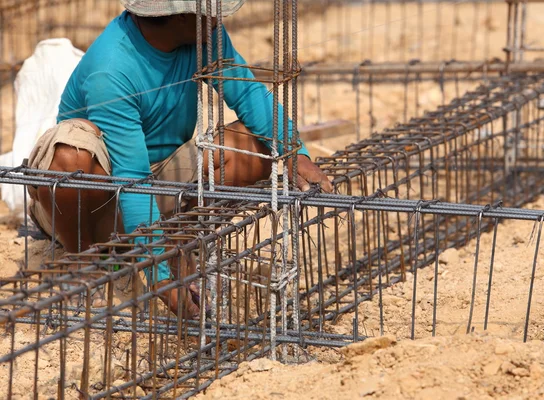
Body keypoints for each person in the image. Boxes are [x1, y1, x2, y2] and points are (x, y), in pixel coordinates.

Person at [26, 0, 332, 317]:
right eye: (208, 10)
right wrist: (159, 277)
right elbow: (131, 178)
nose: (217, 16)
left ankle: (173, 240)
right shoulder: (112, 68)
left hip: (156, 181)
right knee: (70, 155)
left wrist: (295, 152)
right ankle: (83, 259)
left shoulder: (204, 34)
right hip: (96, 200)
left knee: (253, 146)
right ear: (183, 17)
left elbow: (248, 93)